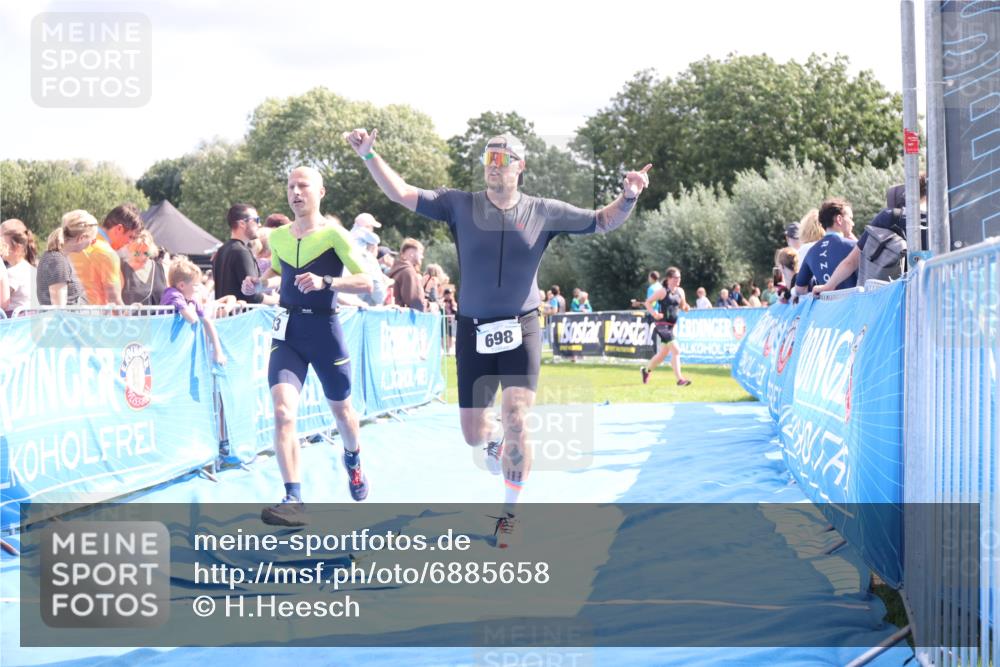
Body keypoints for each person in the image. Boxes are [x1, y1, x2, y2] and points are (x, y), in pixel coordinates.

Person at [346, 127, 650, 546]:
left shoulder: (543, 210)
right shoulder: (459, 204)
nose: (492, 165)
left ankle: (510, 515)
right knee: (473, 434)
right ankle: (496, 442)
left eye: (501, 157)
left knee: (517, 417)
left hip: (521, 326)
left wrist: (629, 196)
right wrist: (369, 155)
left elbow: (601, 221)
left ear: (519, 166)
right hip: (473, 330)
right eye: (487, 157)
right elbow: (401, 192)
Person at [241, 166, 374, 525]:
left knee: (343, 413)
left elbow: (367, 282)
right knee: (283, 412)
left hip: (325, 332)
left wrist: (326, 281)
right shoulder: (279, 237)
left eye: (303, 186)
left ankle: (353, 459)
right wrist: (258, 283)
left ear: (321, 192)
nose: (296, 192)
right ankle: (293, 498)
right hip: (288, 331)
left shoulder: (335, 235)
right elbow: (276, 273)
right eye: (290, 186)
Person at [815, 175, 928, 296]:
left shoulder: (890, 217)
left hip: (894, 299)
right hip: (933, 296)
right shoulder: (939, 225)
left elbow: (851, 262)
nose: (853, 223)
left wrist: (828, 286)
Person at [71, 203, 143, 306]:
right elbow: (114, 300)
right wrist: (129, 314)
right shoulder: (107, 253)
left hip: (66, 313)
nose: (129, 242)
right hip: (95, 315)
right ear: (119, 229)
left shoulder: (76, 242)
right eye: (130, 236)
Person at [161, 257, 226, 367]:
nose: (198, 289)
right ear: (182, 286)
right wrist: (192, 302)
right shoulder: (172, 294)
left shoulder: (191, 298)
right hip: (164, 346)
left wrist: (218, 351)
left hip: (177, 348)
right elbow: (192, 319)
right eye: (195, 285)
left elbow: (207, 321)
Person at [640, 267, 692, 387]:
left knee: (662, 355)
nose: (678, 280)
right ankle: (680, 380)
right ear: (669, 278)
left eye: (679, 278)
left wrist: (686, 308)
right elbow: (647, 302)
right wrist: (654, 314)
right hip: (662, 325)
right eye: (675, 278)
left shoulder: (680, 291)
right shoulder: (662, 291)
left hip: (672, 326)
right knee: (676, 350)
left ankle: (646, 370)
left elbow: (683, 306)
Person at [795, 198, 857, 294]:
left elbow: (800, 289)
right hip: (854, 302)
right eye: (850, 218)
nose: (853, 223)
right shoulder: (853, 246)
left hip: (826, 303)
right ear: (839, 219)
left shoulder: (811, 251)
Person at [36, 211, 99, 306]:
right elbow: (59, 308)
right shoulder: (57, 261)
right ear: (81, 238)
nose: (92, 244)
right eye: (93, 241)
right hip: (66, 316)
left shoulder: (57, 258)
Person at [214, 204, 265, 304]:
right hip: (243, 313)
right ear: (242, 223)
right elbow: (253, 295)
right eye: (256, 220)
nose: (259, 224)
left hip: (226, 312)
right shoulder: (241, 251)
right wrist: (279, 300)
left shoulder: (221, 250)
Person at [120, 230, 168, 306]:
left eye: (146, 253)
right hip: (132, 314)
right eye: (137, 253)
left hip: (159, 314)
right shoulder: (122, 269)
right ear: (130, 250)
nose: (142, 257)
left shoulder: (161, 268)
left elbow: (170, 294)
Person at [2, 228, 39, 311]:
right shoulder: (30, 268)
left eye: (4, 245)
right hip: (29, 316)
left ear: (17, 248)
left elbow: (2, 301)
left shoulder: (13, 273)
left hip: (14, 318)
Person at [388, 238, 427, 311]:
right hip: (404, 316)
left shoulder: (397, 270)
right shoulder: (408, 271)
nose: (422, 257)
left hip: (395, 314)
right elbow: (415, 302)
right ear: (412, 254)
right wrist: (428, 306)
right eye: (420, 253)